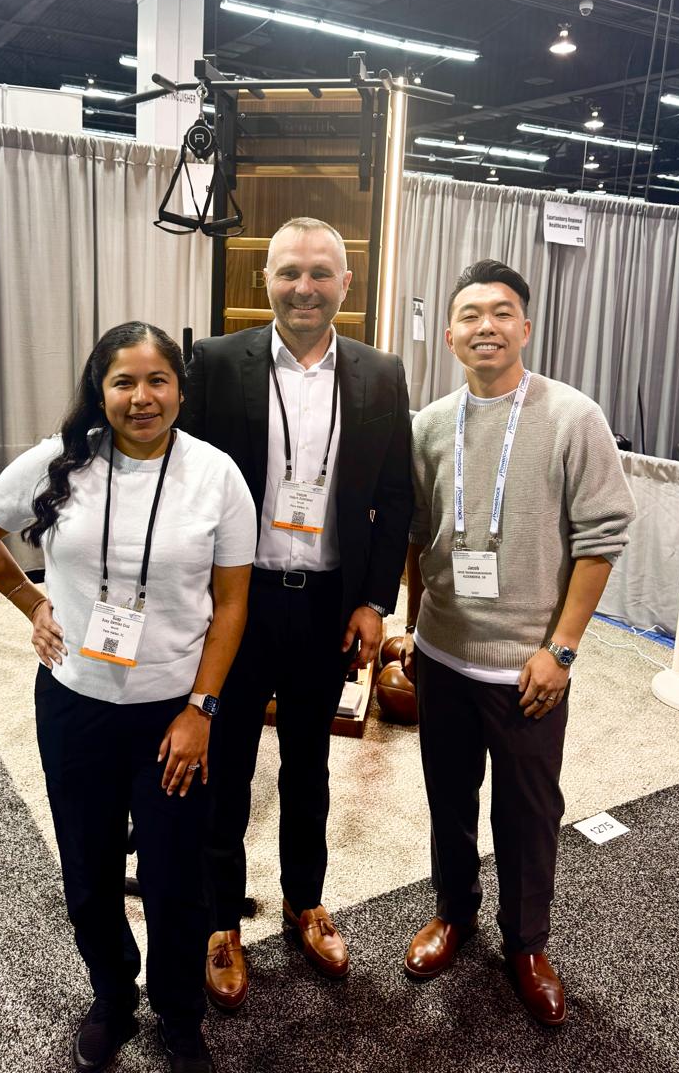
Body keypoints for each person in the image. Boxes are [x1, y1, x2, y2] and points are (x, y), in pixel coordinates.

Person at [0, 321, 256, 1073]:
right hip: (76, 705)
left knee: (174, 877)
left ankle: (180, 1014)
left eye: (158, 380)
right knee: (89, 871)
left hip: (174, 714)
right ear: (100, 390)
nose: (141, 397)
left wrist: (202, 710)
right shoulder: (61, 462)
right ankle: (113, 998)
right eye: (124, 381)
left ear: (180, 390)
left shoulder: (216, 475)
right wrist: (33, 603)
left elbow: (231, 605)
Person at [179, 217, 413, 1009]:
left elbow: (395, 499)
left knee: (310, 766)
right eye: (289, 273)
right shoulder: (217, 363)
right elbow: (186, 483)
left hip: (327, 609)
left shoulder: (381, 373)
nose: (303, 288)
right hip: (236, 608)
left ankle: (304, 902)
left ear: (346, 283)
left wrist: (375, 601)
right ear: (266, 280)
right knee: (226, 767)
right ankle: (220, 921)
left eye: (319, 273)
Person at [402, 259, 634, 1027]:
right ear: (449, 334)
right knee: (448, 799)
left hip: (530, 665)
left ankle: (527, 944)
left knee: (529, 813)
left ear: (525, 328)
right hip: (443, 653)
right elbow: (419, 536)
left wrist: (561, 649)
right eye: (470, 315)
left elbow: (601, 540)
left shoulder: (572, 417)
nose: (486, 327)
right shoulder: (429, 426)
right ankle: (453, 913)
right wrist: (413, 627)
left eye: (502, 313)